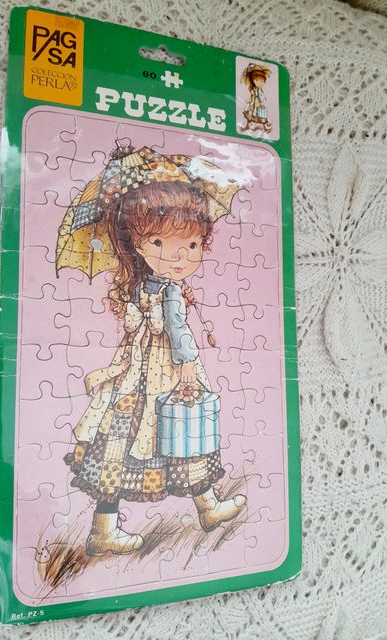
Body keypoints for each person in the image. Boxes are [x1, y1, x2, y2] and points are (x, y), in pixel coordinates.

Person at [63, 155, 246, 556]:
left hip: (142, 372)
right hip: (160, 374)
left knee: (157, 438)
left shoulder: (144, 286)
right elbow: (178, 333)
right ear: (138, 243)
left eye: (192, 244)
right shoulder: (167, 292)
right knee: (175, 432)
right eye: (161, 243)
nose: (180, 256)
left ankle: (200, 509)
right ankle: (118, 528)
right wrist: (187, 366)